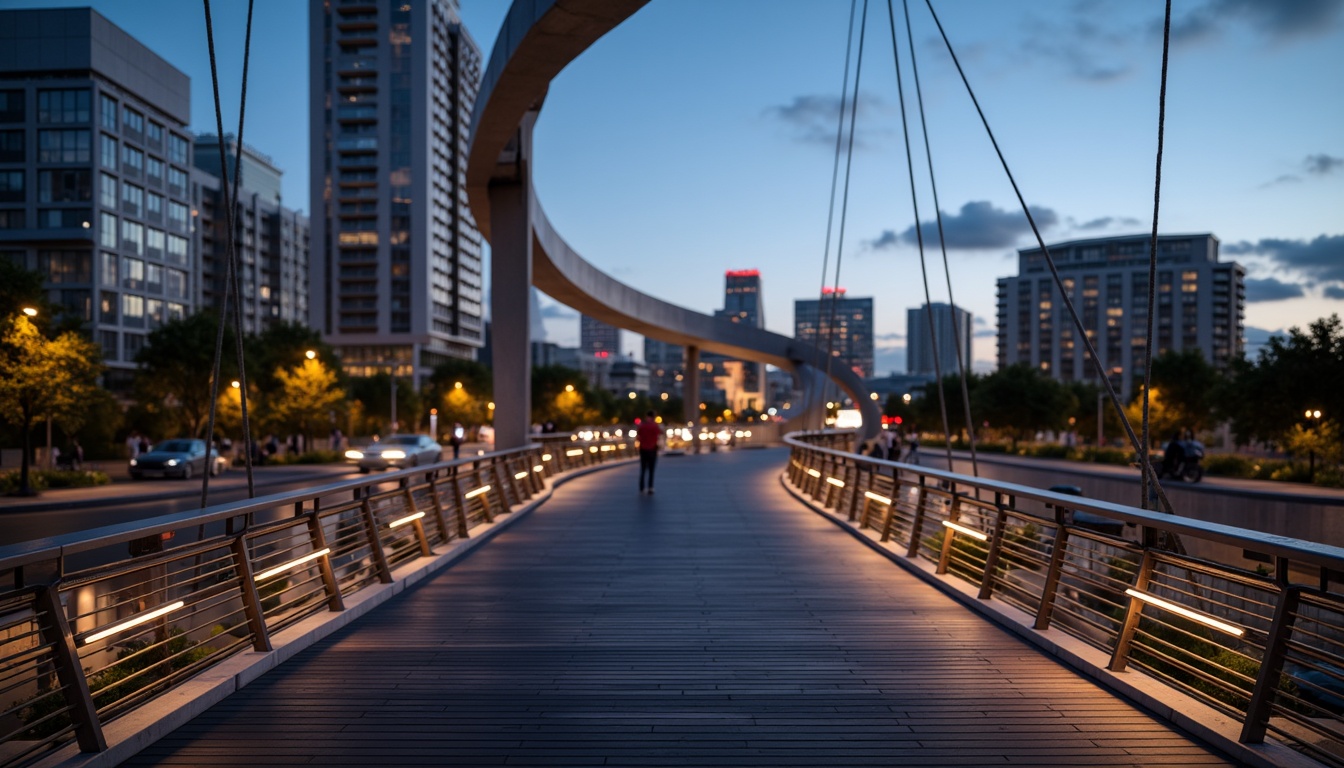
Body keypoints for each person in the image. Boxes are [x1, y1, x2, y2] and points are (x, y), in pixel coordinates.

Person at [636, 410, 661, 495]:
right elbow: (659, 434)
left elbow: (638, 436)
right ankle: (650, 487)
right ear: (653, 417)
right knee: (651, 469)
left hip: (643, 449)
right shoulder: (654, 426)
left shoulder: (642, 426)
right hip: (652, 449)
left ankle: (641, 487)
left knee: (643, 469)